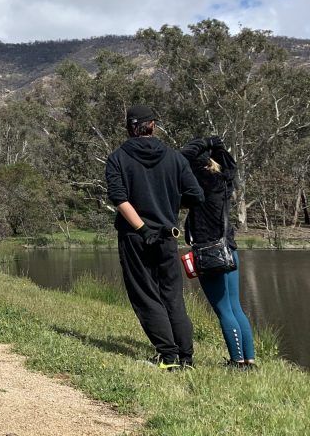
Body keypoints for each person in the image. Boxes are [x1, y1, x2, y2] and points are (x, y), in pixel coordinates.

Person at [106, 104, 204, 371]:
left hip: (134, 236)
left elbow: (119, 198)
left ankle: (167, 356)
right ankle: (186, 357)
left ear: (129, 128)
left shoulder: (118, 157)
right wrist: (170, 205)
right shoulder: (174, 158)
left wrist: (141, 228)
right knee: (173, 295)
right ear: (153, 126)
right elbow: (196, 196)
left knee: (145, 294)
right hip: (166, 235)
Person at [180, 136, 256, 369]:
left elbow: (184, 154)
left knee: (223, 309)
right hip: (229, 249)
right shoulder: (223, 180)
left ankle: (236, 361)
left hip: (210, 252)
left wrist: (206, 141)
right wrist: (217, 146)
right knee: (236, 308)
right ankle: (248, 360)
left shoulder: (203, 181)